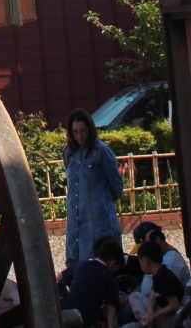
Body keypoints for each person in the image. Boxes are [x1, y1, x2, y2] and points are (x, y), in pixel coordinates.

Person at [64, 108, 125, 265]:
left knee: (102, 263)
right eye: (75, 131)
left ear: (90, 130)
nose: (79, 136)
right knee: (76, 266)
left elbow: (116, 184)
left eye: (83, 131)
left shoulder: (102, 151)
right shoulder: (68, 152)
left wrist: (102, 202)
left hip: (99, 222)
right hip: (76, 220)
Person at [60, 236, 126, 328]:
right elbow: (112, 305)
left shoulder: (82, 263)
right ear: (113, 264)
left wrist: (73, 285)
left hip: (69, 307)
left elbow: (59, 277)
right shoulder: (108, 276)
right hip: (89, 317)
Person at [125, 239, 183, 326]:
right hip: (162, 311)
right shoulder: (157, 273)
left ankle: (147, 322)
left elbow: (175, 305)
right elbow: (153, 293)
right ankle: (146, 320)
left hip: (174, 319)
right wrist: (150, 311)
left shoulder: (163, 277)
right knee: (135, 296)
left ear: (145, 262)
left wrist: (155, 315)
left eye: (140, 261)